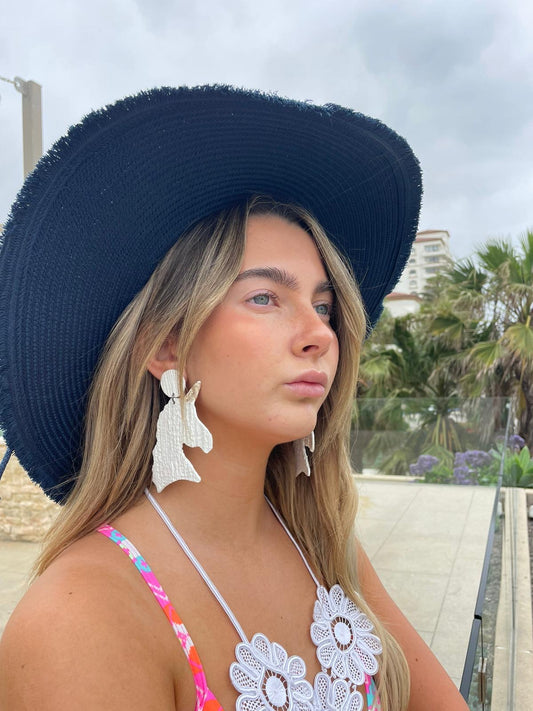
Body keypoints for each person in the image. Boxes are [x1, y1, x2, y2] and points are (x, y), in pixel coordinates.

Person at [0, 86, 468, 710]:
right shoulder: (82, 616)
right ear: (166, 344)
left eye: (324, 305)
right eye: (264, 298)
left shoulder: (324, 545)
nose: (320, 335)